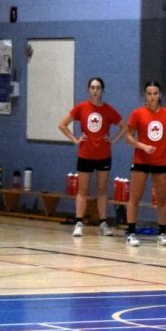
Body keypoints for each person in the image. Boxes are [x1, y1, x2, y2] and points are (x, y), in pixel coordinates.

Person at [114, 80, 166, 247]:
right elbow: (128, 137)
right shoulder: (137, 113)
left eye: (155, 93)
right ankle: (131, 232)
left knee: (162, 199)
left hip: (160, 161)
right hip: (141, 160)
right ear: (145, 95)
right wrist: (142, 146)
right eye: (149, 94)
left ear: (160, 94)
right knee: (135, 197)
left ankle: (162, 233)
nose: (152, 97)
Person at [57, 76, 122, 238]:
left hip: (103, 155)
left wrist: (113, 139)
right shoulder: (81, 108)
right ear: (88, 90)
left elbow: (125, 127)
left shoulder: (108, 109)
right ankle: (79, 222)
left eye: (98, 88)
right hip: (85, 154)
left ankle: (103, 223)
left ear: (102, 91)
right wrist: (75, 140)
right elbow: (62, 124)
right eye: (92, 88)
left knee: (102, 190)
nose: (95, 91)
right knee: (83, 190)